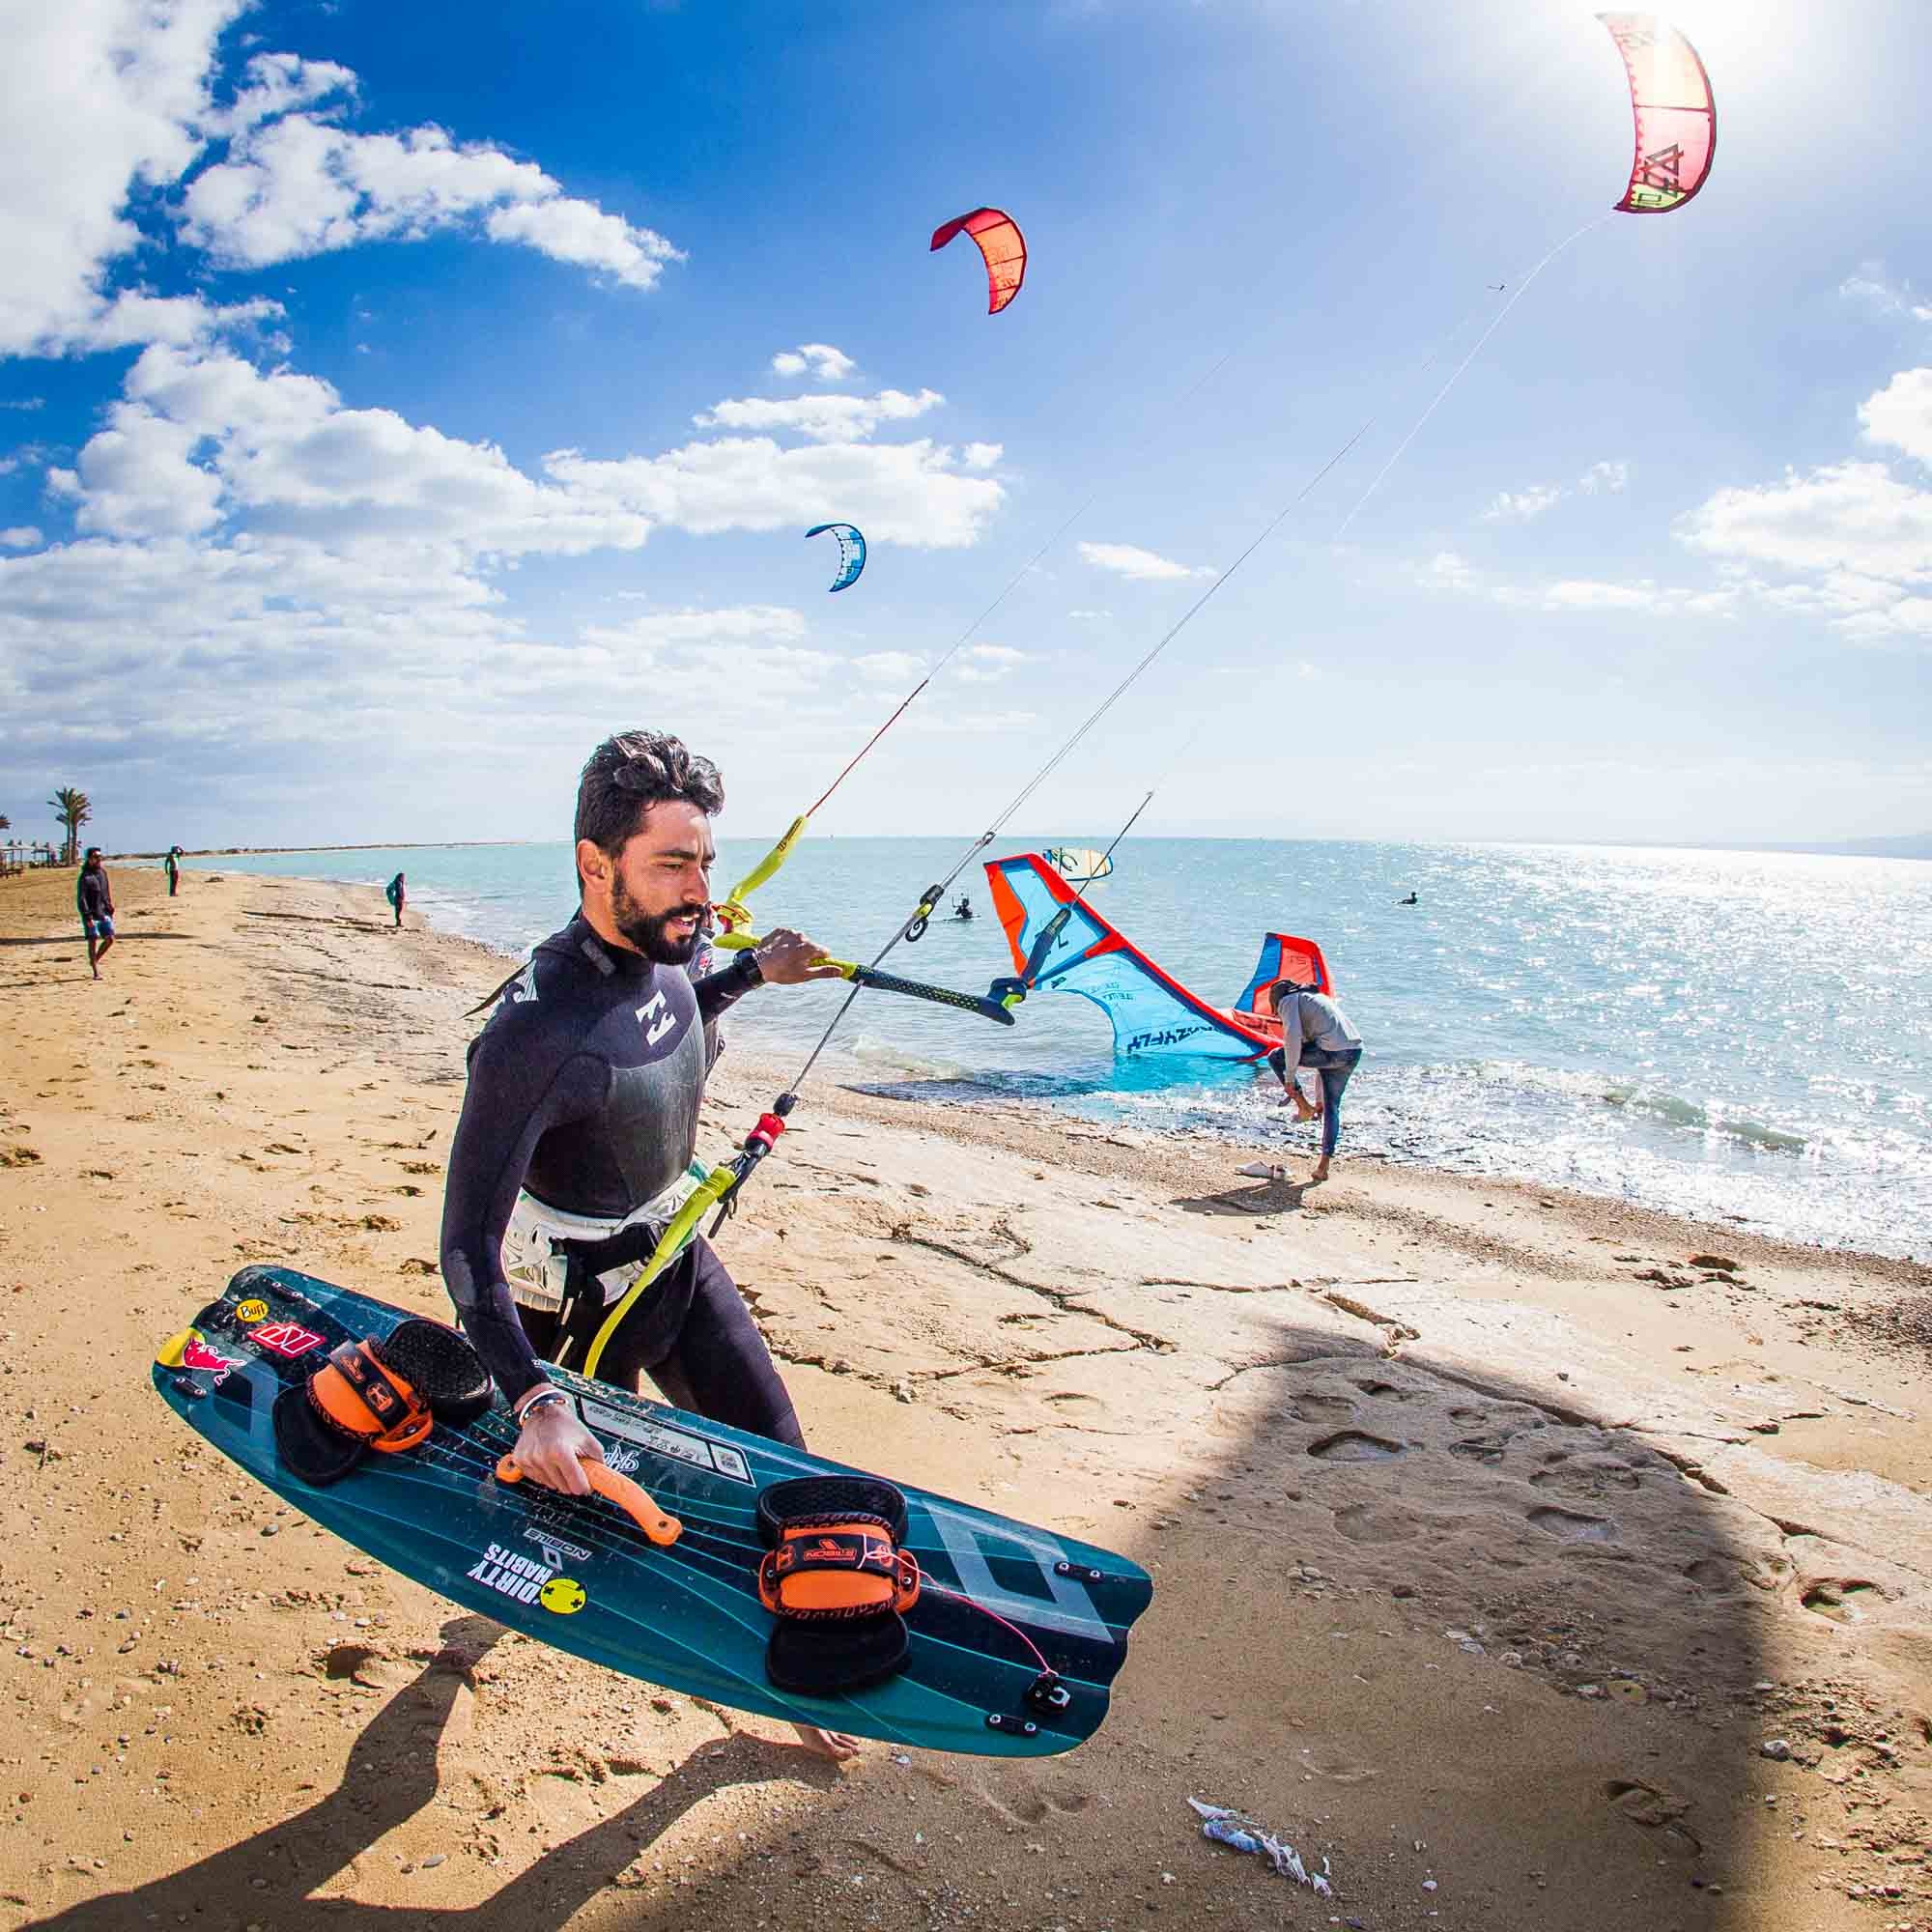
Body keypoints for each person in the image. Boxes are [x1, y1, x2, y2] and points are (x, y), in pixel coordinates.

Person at [439, 730, 853, 1756]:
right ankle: (506, 1576)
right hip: (575, 1296)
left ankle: (795, 1663)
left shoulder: (670, 951)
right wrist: (533, 1399)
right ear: (595, 863)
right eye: (671, 864)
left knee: (779, 1455)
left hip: (668, 1249)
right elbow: (462, 1247)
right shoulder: (534, 1032)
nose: (698, 890)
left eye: (705, 861)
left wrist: (752, 970)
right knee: (584, 1495)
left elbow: (668, 1016)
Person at [1266, 977, 1362, 1183]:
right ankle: (1323, 1168)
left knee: (1275, 1057)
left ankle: (1303, 1107)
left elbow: (1292, 1039)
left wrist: (1290, 1078)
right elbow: (1325, 1060)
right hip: (1353, 1052)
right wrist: (1319, 1097)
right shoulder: (1316, 998)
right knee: (1330, 1108)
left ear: (1276, 999)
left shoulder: (1288, 1001)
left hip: (1332, 1053)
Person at [77, 847, 115, 979]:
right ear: (89, 859)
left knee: (110, 939)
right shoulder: (85, 877)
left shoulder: (103, 873)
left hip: (104, 912)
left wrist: (110, 905)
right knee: (92, 941)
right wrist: (87, 917)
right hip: (91, 914)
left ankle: (94, 960)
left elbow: (106, 891)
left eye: (100, 856)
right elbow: (81, 898)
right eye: (95, 857)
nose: (99, 859)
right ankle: (95, 972)